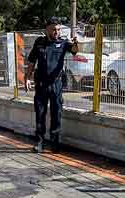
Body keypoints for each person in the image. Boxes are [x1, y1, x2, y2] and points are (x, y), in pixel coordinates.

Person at [25, 17, 78, 153]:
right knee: (40, 113)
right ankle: (40, 142)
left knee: (56, 113)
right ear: (47, 29)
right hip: (41, 84)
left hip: (56, 84)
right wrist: (27, 78)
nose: (57, 32)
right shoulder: (39, 42)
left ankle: (55, 143)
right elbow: (31, 61)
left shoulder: (64, 42)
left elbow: (74, 50)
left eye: (59, 29)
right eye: (54, 29)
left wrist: (76, 43)